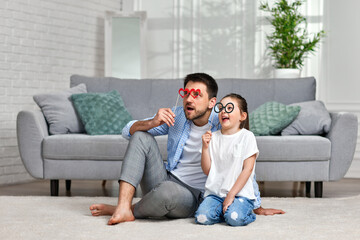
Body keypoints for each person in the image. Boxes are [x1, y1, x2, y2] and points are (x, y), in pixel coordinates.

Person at [89, 73, 285, 225]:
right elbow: (126, 131)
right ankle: (123, 207)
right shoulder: (177, 115)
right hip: (166, 178)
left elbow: (244, 164)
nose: (189, 99)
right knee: (141, 135)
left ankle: (126, 208)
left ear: (212, 103)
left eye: (197, 95)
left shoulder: (224, 122)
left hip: (193, 195)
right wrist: (151, 122)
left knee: (167, 192)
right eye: (187, 94)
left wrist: (256, 206)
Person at [195, 93, 258, 226]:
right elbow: (207, 170)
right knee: (201, 218)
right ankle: (225, 211)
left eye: (229, 108)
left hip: (240, 195)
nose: (224, 111)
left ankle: (241, 212)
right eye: (221, 108)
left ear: (243, 116)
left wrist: (231, 195)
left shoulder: (247, 137)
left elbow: (248, 169)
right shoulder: (213, 137)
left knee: (235, 219)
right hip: (215, 195)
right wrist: (205, 148)